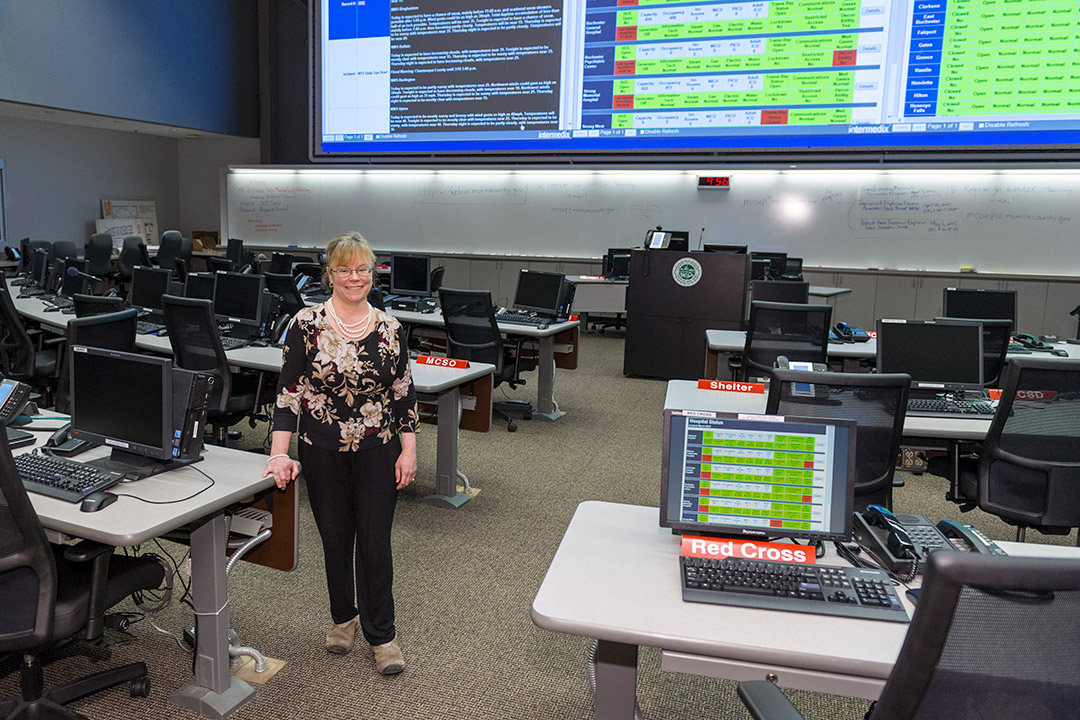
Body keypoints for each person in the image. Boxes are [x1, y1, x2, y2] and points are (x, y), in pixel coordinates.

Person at [264, 231, 418, 675]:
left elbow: (404, 396)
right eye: (345, 269)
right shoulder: (306, 324)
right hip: (321, 449)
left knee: (374, 542)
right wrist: (279, 454)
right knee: (335, 538)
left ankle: (382, 635)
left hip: (378, 449)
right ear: (329, 274)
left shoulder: (390, 330)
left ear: (373, 273)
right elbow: (289, 393)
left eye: (363, 269)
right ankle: (342, 618)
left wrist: (408, 452)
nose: (355, 277)